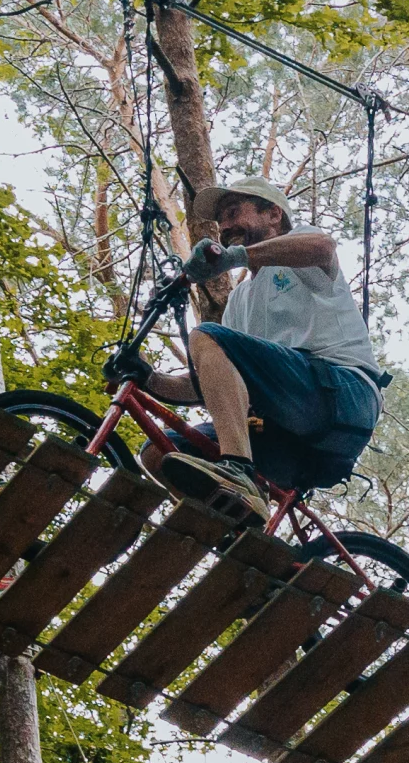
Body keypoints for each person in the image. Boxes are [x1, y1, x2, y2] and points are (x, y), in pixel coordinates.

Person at [115, 175, 387, 522]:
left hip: (342, 397)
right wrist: (148, 377)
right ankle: (237, 533)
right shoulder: (240, 300)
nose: (225, 226)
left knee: (206, 335)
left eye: (232, 212)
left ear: (273, 213)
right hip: (286, 437)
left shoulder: (302, 251)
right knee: (158, 452)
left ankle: (238, 470)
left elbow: (323, 247)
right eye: (221, 221)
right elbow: (212, 381)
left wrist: (237, 256)